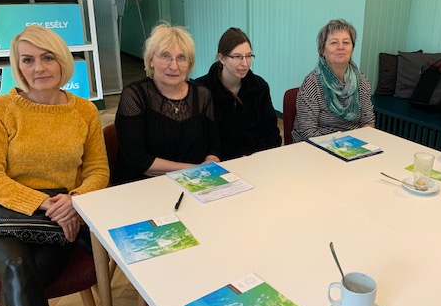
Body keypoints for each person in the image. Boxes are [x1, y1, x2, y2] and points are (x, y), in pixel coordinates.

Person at [0, 25, 109, 306]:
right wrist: (46, 203)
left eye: (47, 57)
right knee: (18, 269)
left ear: (62, 60)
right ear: (18, 66)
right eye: (28, 60)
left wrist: (75, 199)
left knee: (19, 286)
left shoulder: (84, 111)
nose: (38, 68)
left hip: (59, 223)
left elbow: (98, 171)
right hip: (0, 221)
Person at [113, 23, 221, 184]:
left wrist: (212, 159)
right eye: (165, 56)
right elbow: (137, 160)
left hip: (198, 181)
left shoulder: (202, 94)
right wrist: (195, 170)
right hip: (144, 184)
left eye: (181, 58)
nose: (174, 66)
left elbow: (214, 144)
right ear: (151, 60)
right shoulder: (134, 95)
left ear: (189, 64)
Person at [196, 27, 281, 159]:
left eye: (248, 56)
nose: (245, 63)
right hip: (221, 162)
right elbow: (203, 141)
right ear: (222, 58)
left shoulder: (260, 86)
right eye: (237, 57)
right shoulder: (201, 90)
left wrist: (256, 157)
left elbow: (271, 133)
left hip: (256, 159)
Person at [291, 19, 375, 142]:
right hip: (316, 145)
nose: (341, 47)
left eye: (346, 42)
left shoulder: (361, 81)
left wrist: (355, 146)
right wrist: (341, 146)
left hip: (354, 144)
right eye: (334, 42)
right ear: (322, 50)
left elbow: (368, 123)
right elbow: (308, 132)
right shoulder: (312, 83)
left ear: (352, 49)